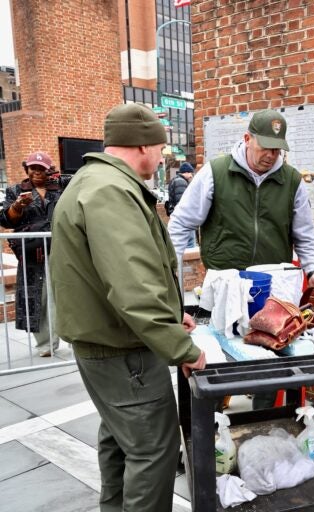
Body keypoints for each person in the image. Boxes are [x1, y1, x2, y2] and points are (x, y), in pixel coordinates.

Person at [50, 103, 206, 512]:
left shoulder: (95, 181)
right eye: (161, 149)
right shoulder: (110, 191)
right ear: (143, 146)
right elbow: (133, 284)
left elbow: (129, 272)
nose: (162, 157)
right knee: (154, 449)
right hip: (123, 351)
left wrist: (173, 316)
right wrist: (183, 349)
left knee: (122, 442)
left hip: (112, 344)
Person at [168, 109, 314, 408]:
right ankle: (213, 424)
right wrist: (171, 280)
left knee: (270, 363)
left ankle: (264, 419)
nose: (271, 155)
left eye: (277, 148)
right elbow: (179, 225)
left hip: (272, 288)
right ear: (247, 138)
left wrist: (313, 271)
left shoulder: (290, 180)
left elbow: (305, 234)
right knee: (217, 361)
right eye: (265, 146)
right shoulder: (216, 172)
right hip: (225, 284)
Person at [0, 151, 70, 356]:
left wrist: (58, 176)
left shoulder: (60, 187)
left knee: (68, 295)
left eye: (42, 169)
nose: (37, 173)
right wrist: (17, 206)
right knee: (37, 298)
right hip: (32, 254)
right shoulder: (16, 190)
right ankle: (46, 345)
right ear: (27, 170)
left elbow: (78, 180)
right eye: (33, 168)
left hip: (62, 250)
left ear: (49, 170)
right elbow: (5, 220)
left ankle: (75, 338)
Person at [166, 162, 196, 248]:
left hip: (179, 220)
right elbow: (182, 204)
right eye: (190, 173)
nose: (191, 175)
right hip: (185, 220)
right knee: (190, 246)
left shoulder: (176, 180)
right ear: (186, 172)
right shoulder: (181, 182)